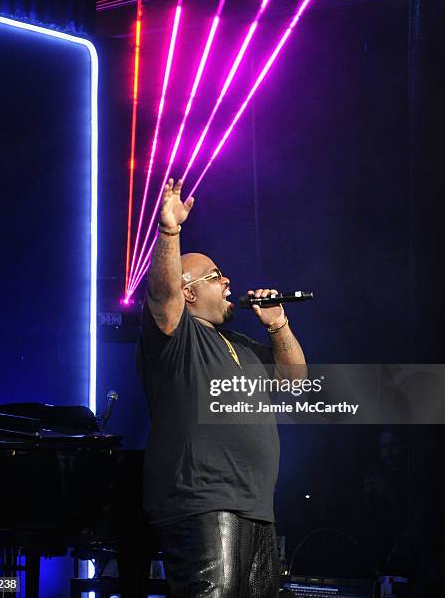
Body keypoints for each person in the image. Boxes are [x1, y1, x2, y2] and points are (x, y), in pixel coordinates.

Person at [137, 178, 306, 597]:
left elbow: (296, 383)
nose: (228, 281)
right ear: (189, 291)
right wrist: (169, 232)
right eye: (215, 276)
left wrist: (278, 324)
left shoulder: (243, 345)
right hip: (205, 504)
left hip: (255, 508)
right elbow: (162, 292)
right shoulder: (175, 336)